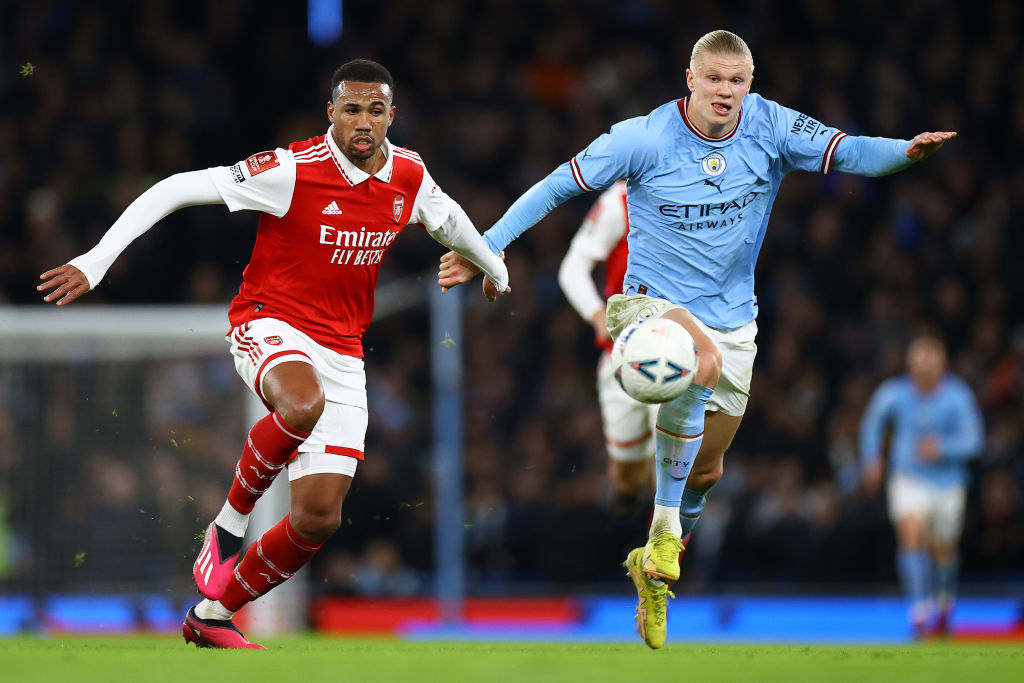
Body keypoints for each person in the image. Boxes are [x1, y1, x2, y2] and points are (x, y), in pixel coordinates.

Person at [438, 30, 956, 649]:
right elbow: (556, 186)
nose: (725, 92)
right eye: (714, 79)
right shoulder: (643, 138)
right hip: (646, 305)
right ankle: (660, 528)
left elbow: (850, 152)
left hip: (736, 320)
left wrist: (906, 151)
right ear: (690, 79)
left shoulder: (773, 127)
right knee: (699, 362)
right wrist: (484, 246)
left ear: (750, 83)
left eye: (736, 81)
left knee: (707, 473)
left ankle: (654, 569)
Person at [38, 59, 509, 649]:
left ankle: (211, 614)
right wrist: (96, 260)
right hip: (270, 321)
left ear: (392, 115)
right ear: (332, 113)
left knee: (319, 517)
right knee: (300, 403)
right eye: (352, 109)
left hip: (342, 349)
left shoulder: (408, 174)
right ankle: (227, 528)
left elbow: (450, 222)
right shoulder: (291, 168)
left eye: (376, 110)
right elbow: (177, 188)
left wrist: (496, 268)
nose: (364, 122)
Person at [859, 330, 983, 638]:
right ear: (909, 362)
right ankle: (918, 610)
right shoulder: (894, 392)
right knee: (910, 534)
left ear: (943, 363)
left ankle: (943, 601)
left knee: (944, 548)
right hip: (908, 478)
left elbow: (974, 440)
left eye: (931, 358)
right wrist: (872, 459)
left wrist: (942, 448)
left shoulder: (958, 395)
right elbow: (872, 423)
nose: (924, 365)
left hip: (948, 482)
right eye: (919, 358)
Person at [557, 180, 658, 517]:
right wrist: (597, 315)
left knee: (677, 471)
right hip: (622, 357)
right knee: (628, 479)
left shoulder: (709, 192)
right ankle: (625, 539)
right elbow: (572, 268)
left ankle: (673, 561)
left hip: (681, 352)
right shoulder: (621, 199)